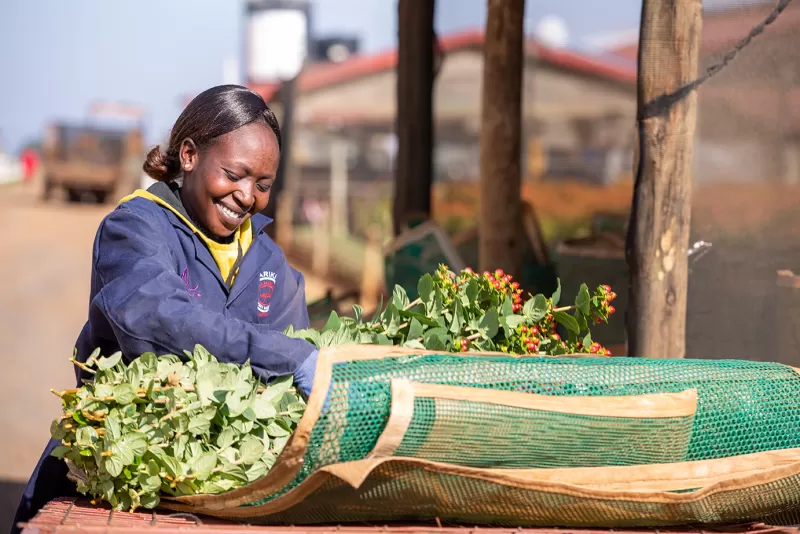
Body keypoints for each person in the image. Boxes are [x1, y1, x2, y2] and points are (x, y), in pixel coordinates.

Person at [12, 85, 318, 533]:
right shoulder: (136, 228)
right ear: (190, 156)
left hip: (233, 496)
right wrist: (287, 358)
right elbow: (156, 317)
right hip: (117, 483)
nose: (247, 196)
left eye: (263, 184)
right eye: (234, 174)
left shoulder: (271, 265)